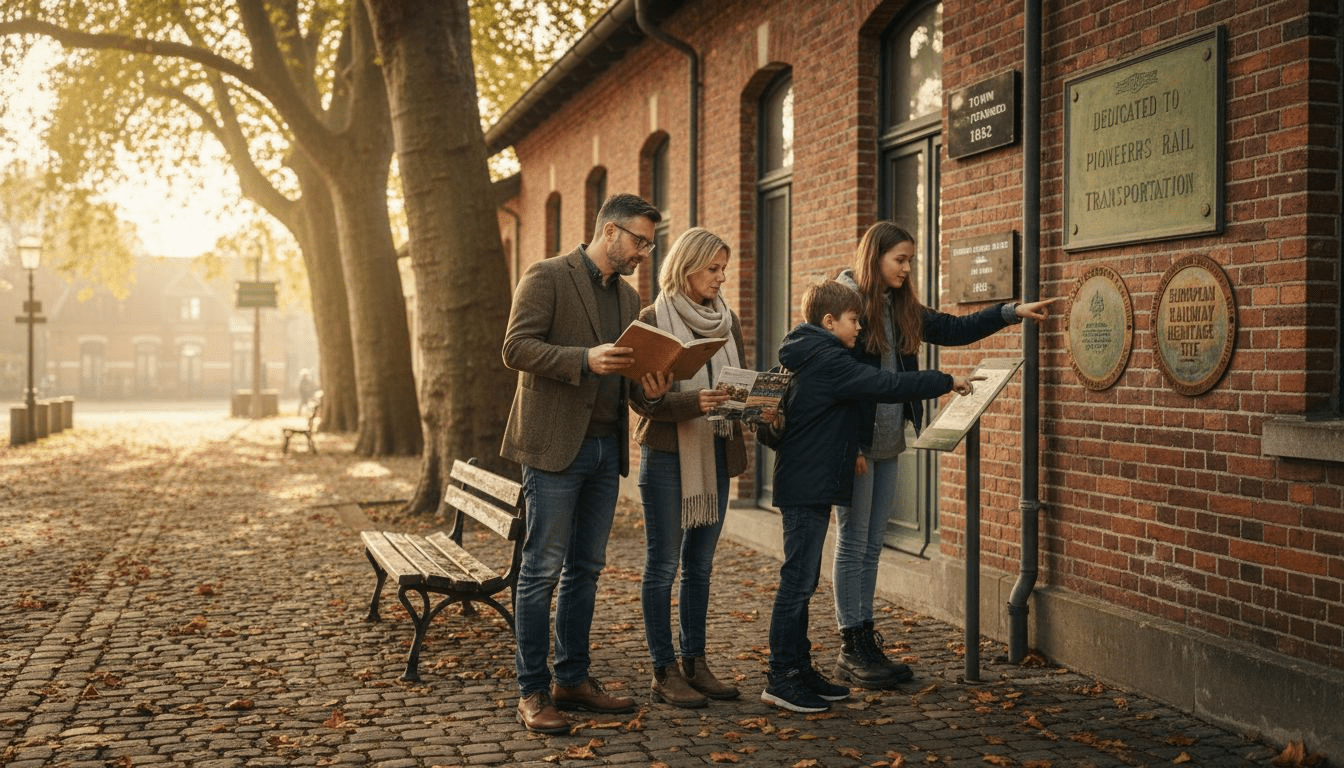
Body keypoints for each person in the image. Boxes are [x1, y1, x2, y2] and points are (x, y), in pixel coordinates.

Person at [832, 221, 1058, 689]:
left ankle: (864, 635)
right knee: (853, 541)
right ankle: (850, 642)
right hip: (856, 441)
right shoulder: (845, 301)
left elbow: (954, 329)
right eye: (900, 259)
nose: (907, 267)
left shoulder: (901, 305)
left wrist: (1010, 311)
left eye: (910, 259)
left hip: (891, 437)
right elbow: (840, 381)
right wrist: (849, 444)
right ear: (875, 257)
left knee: (873, 543)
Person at [761, 279, 980, 713]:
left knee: (802, 582)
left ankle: (799, 669)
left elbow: (778, 427)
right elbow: (887, 385)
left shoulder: (807, 352)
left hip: (808, 481)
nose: (860, 327)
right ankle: (782, 676)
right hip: (807, 485)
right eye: (854, 320)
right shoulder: (828, 361)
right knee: (797, 584)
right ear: (829, 321)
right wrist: (947, 379)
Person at [500, 193, 673, 734]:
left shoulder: (628, 299)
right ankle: (532, 690)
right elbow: (515, 348)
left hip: (605, 451)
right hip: (554, 448)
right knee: (541, 569)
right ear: (609, 231)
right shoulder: (547, 275)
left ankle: (571, 678)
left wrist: (650, 387)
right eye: (639, 240)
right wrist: (584, 358)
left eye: (649, 243)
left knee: (587, 570)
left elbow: (626, 380)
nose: (644, 251)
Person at [630, 228, 747, 709]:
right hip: (666, 459)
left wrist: (753, 401)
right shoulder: (651, 320)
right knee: (663, 568)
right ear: (686, 267)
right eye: (713, 269)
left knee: (700, 566)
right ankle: (664, 669)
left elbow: (737, 382)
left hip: (715, 452)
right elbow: (641, 401)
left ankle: (696, 662)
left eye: (724, 269)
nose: (721, 278)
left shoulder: (728, 320)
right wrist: (684, 401)